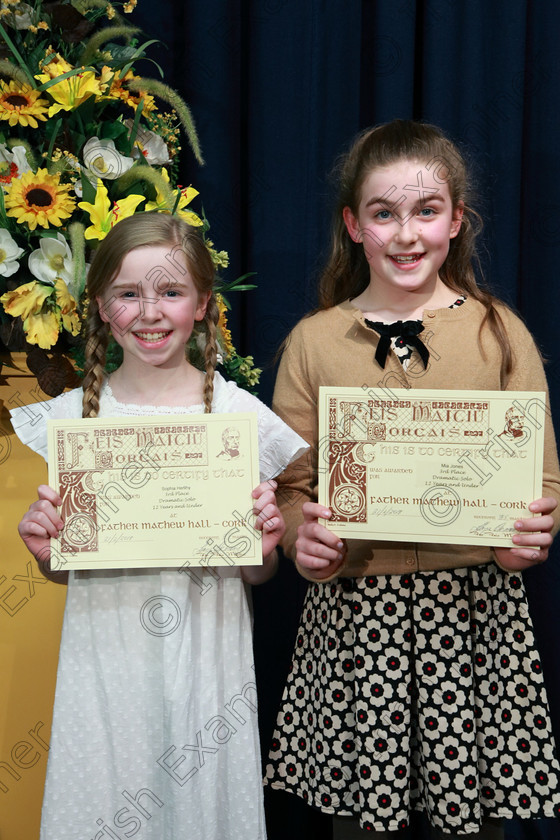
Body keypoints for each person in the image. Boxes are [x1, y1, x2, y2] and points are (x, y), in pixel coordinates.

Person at [264, 120, 560, 839]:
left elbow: (542, 480)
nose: (406, 234)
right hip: (359, 618)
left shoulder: (500, 332)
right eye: (384, 213)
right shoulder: (313, 340)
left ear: (456, 222)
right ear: (353, 225)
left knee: (473, 824)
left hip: (471, 616)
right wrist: (305, 539)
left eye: (426, 212)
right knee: (363, 826)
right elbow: (286, 490)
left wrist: (529, 536)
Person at [13, 212, 308, 840]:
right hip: (105, 657)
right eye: (128, 293)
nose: (150, 312)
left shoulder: (238, 417)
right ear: (100, 305)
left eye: (171, 292)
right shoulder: (73, 421)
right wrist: (47, 550)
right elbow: (67, 564)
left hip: (207, 662)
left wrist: (264, 545)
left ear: (203, 303)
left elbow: (257, 571)